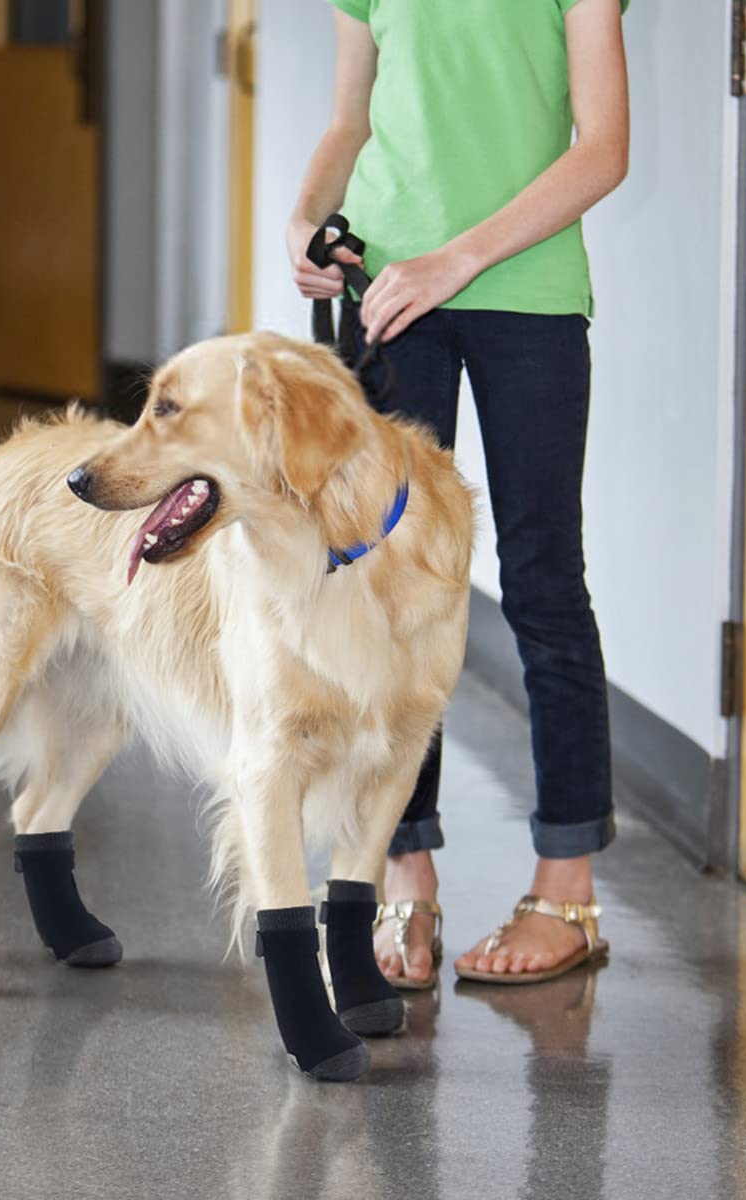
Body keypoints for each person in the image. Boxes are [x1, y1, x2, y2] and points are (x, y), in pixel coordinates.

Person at [287, 0, 630, 985]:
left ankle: (565, 892)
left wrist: (459, 258)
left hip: (525, 300)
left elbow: (603, 149)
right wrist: (305, 221)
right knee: (392, 596)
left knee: (542, 583)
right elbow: (350, 122)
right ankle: (406, 875)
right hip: (390, 298)